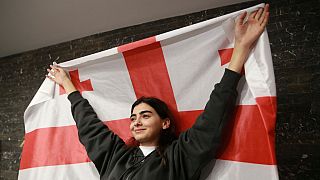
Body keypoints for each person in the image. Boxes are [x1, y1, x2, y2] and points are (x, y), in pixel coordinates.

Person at [47, 4, 269, 180]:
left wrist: (240, 48)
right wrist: (68, 85)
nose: (136, 122)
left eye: (145, 115)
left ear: (165, 123)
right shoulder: (115, 156)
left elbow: (214, 116)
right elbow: (89, 127)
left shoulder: (179, 157)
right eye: (133, 117)